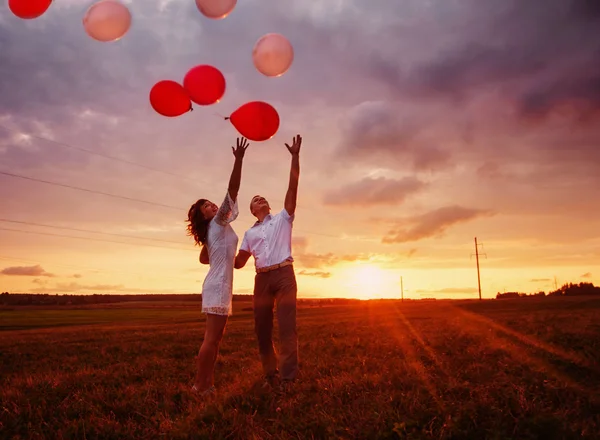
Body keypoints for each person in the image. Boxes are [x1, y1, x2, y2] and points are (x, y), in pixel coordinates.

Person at [234, 134, 302, 391]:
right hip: (261, 278)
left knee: (286, 327)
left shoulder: (283, 218)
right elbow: (239, 263)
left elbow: (292, 190)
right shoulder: (249, 234)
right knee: (262, 329)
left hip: (284, 274)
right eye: (255, 199)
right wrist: (219, 246)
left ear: (269, 205)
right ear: (252, 210)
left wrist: (295, 158)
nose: (259, 199)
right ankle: (270, 375)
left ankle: (288, 379)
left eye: (262, 197)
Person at [186, 137, 249, 396]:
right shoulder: (219, 222)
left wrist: (237, 257)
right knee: (211, 339)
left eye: (210, 202)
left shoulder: (216, 229)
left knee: (215, 339)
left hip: (218, 283)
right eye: (206, 206)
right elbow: (232, 191)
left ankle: (207, 384)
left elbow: (204, 258)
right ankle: (199, 386)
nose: (212, 204)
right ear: (205, 215)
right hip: (218, 286)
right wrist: (238, 160)